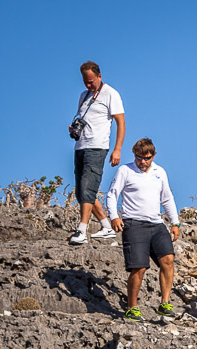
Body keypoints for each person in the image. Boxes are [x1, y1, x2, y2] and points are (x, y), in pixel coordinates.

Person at [106, 138, 181, 322]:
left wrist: (175, 222)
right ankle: (132, 308)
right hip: (134, 224)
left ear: (153, 156)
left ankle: (164, 303)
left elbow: (167, 198)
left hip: (156, 224)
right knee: (138, 268)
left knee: (168, 260)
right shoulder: (125, 170)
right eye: (139, 157)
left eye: (146, 158)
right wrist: (114, 216)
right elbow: (112, 194)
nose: (142, 161)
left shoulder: (159, 172)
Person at [69, 60, 126, 245]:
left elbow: (121, 123)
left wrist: (117, 149)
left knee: (87, 188)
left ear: (99, 76)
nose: (88, 85)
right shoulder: (83, 96)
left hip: (97, 146)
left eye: (91, 81)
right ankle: (106, 227)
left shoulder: (111, 93)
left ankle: (81, 231)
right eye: (85, 81)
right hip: (80, 146)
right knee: (81, 193)